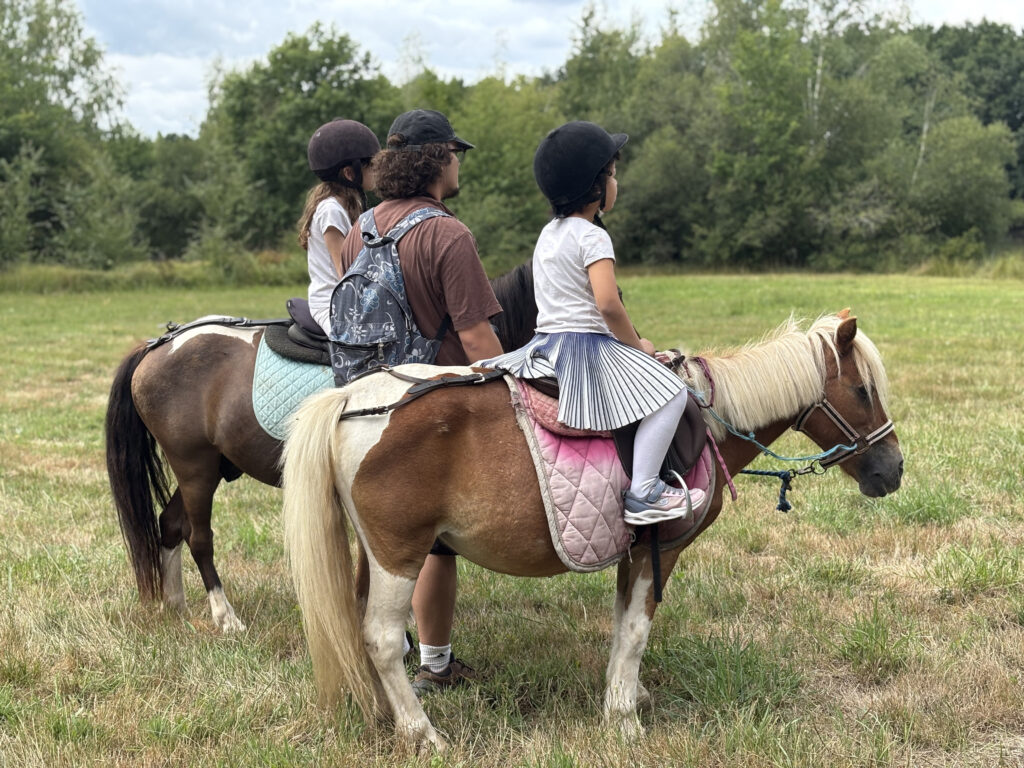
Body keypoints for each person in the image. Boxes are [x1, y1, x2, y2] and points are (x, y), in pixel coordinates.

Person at [334, 108, 504, 694]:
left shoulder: (362, 228)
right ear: (437, 160)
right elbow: (480, 342)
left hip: (363, 404)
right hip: (432, 408)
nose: (459, 164)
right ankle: (435, 662)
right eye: (456, 153)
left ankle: (391, 640)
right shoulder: (448, 234)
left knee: (381, 535)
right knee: (436, 547)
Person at [476, 121, 706, 526]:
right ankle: (645, 491)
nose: (616, 183)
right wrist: (638, 348)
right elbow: (608, 304)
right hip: (586, 348)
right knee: (670, 393)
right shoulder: (593, 237)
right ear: (596, 188)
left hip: (545, 344)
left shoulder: (549, 233)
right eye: (613, 175)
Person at [298, 118, 381, 336]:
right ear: (349, 173)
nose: (376, 170)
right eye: (370, 165)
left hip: (347, 302)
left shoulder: (347, 207)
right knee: (362, 346)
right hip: (331, 305)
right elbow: (346, 273)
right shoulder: (331, 210)